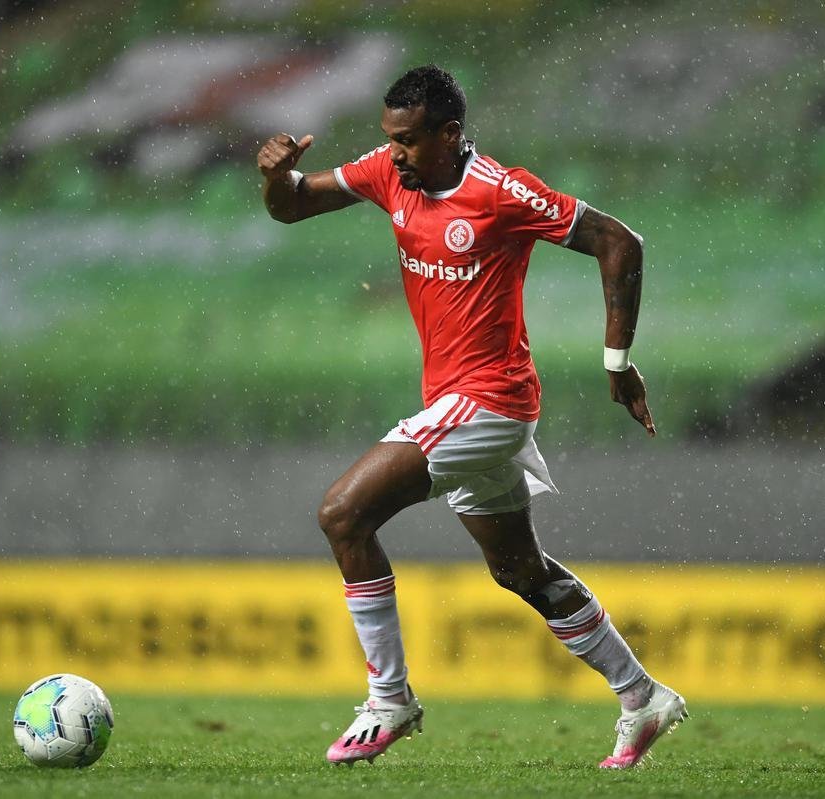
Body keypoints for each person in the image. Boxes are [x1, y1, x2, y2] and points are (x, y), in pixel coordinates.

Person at [257, 64, 685, 769]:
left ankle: (388, 699)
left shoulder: (499, 191)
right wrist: (275, 176)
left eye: (410, 141)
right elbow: (294, 205)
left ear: (450, 134)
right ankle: (642, 696)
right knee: (520, 570)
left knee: (343, 513)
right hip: (455, 403)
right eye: (389, 139)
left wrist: (616, 363)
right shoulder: (387, 173)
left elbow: (620, 242)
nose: (395, 153)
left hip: (490, 401)